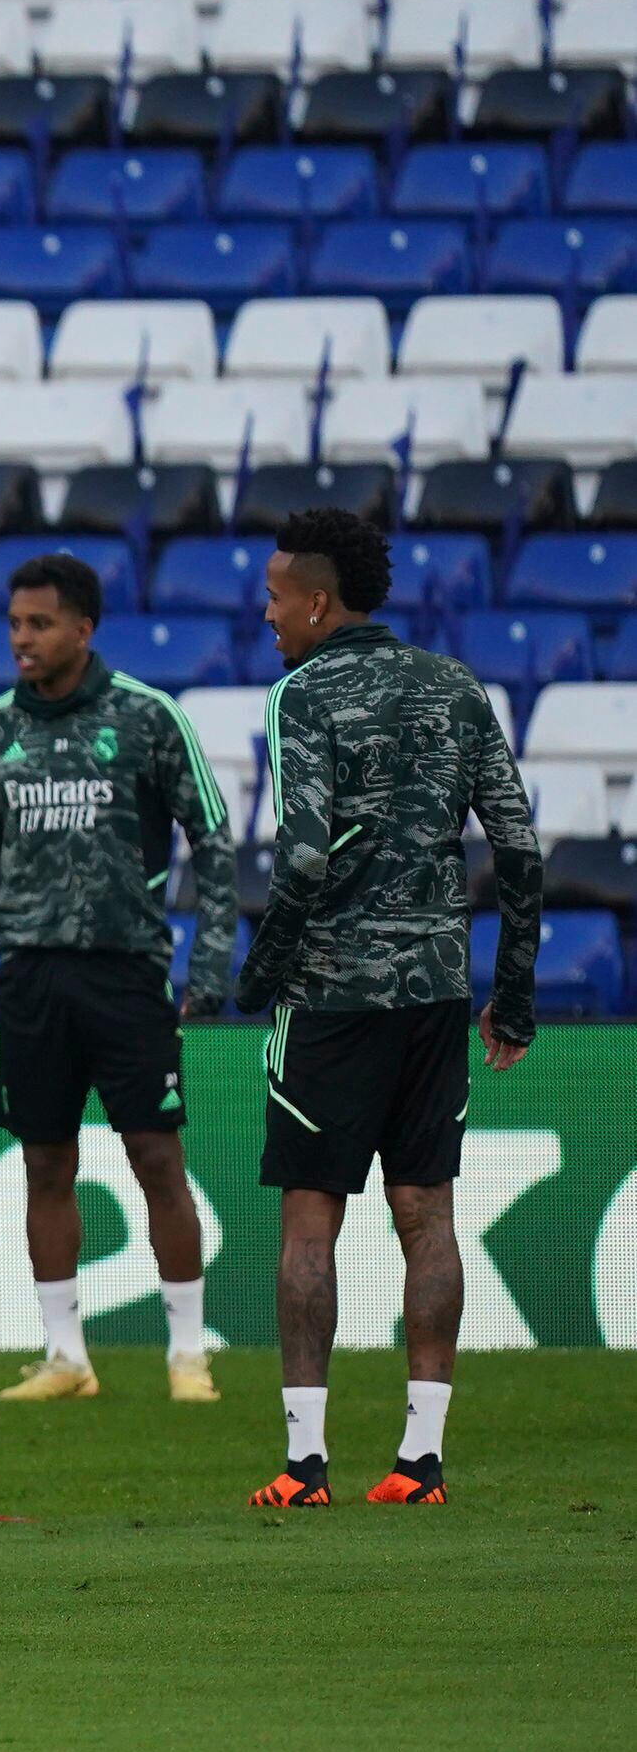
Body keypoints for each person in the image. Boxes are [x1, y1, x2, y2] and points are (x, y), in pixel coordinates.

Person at [237, 510, 541, 1510]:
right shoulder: (455, 685)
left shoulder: (301, 693)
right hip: (436, 995)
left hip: (329, 995)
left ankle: (304, 1463)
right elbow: (519, 848)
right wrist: (513, 993)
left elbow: (306, 853)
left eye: (276, 595)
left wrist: (263, 967)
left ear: (317, 601)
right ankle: (418, 1461)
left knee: (308, 1222)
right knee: (425, 1216)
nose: (265, 610)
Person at [0, 555, 239, 1404]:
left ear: (83, 628)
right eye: (13, 625)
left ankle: (188, 1354)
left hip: (127, 972)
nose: (20, 640)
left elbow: (213, 839)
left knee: (156, 1157)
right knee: (45, 1164)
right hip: (30, 974)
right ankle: (67, 1357)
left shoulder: (149, 718)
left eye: (37, 624)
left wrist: (207, 965)